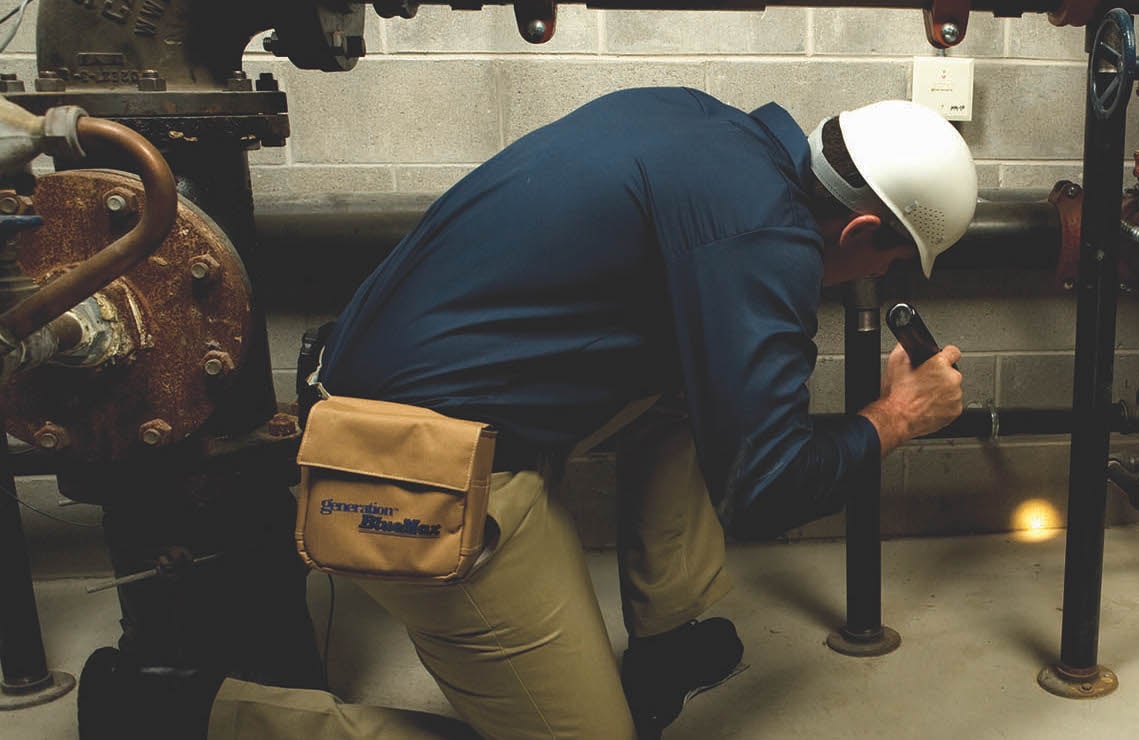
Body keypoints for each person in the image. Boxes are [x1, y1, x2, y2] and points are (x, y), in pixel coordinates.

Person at [78, 86, 976, 740]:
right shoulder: (765, 240)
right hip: (403, 468)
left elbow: (720, 405)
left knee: (696, 390)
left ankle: (664, 644)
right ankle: (175, 712)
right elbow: (767, 490)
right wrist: (895, 416)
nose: (878, 283)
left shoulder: (699, 124)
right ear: (860, 234)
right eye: (889, 264)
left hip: (400, 395)